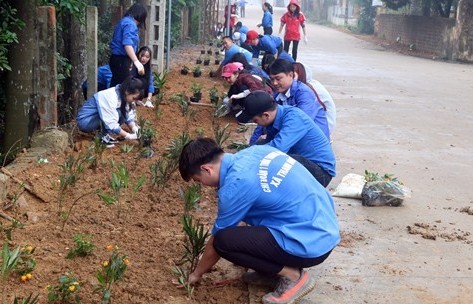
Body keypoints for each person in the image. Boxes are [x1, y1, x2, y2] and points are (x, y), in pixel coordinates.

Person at [178, 137, 340, 304]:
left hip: (311, 244)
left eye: (198, 180)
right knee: (245, 233)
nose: (203, 185)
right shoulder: (256, 152)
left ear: (206, 169)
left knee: (223, 242)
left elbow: (214, 243)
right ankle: (270, 272)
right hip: (324, 227)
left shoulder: (235, 185)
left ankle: (293, 277)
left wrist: (196, 274)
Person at [236, 91, 335, 187]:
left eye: (256, 121)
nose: (257, 124)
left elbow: (277, 149)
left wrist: (246, 158)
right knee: (261, 145)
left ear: (266, 115)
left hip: (320, 172)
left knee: (280, 160)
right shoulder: (274, 119)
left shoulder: (294, 118)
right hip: (302, 164)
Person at [76, 77, 144, 148]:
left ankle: (103, 135)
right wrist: (128, 136)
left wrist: (134, 128)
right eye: (134, 98)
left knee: (121, 113)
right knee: (119, 112)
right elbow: (111, 122)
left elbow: (128, 115)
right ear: (127, 91)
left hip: (95, 118)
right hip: (85, 121)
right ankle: (101, 137)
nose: (134, 101)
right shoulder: (110, 96)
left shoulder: (123, 96)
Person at [109, 3, 148, 87]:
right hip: (121, 60)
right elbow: (127, 44)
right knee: (124, 88)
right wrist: (136, 61)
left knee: (115, 86)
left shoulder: (124, 21)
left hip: (116, 59)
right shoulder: (130, 24)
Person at [292, 62, 336, 135]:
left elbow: (304, 119)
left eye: (292, 75)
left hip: (325, 125)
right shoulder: (309, 84)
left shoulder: (308, 89)